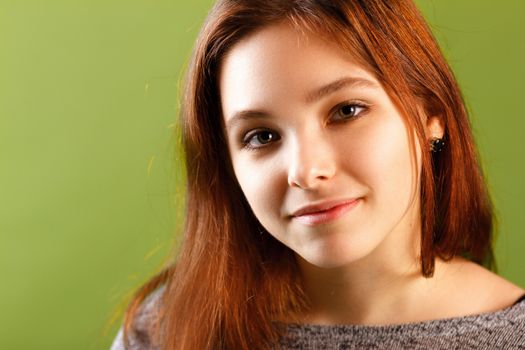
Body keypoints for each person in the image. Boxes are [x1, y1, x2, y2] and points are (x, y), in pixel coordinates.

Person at [111, 1, 525, 349]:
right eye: (262, 136)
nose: (306, 172)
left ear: (431, 113)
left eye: (346, 111)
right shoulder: (166, 329)